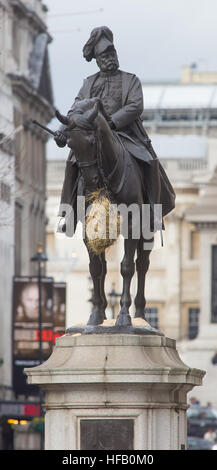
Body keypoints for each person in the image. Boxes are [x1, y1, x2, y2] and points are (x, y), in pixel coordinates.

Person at [54, 26, 175, 234]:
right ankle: (70, 214)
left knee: (150, 161)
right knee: (72, 162)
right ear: (97, 60)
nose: (110, 58)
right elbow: (75, 109)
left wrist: (111, 124)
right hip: (93, 138)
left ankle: (153, 214)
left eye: (112, 53)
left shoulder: (131, 80)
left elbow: (135, 106)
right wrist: (62, 131)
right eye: (104, 56)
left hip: (126, 135)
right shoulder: (88, 84)